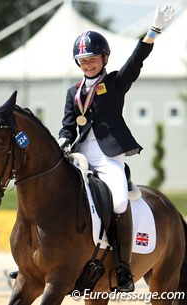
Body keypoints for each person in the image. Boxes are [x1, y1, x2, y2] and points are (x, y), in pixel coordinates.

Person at [58, 5, 175, 292]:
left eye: (92, 59)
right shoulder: (73, 92)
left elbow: (135, 63)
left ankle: (122, 266)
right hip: (79, 152)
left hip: (108, 154)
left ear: (104, 58)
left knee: (120, 201)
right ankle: (38, 260)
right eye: (83, 61)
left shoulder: (113, 83)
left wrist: (153, 32)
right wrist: (63, 139)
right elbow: (68, 125)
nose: (88, 65)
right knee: (51, 190)